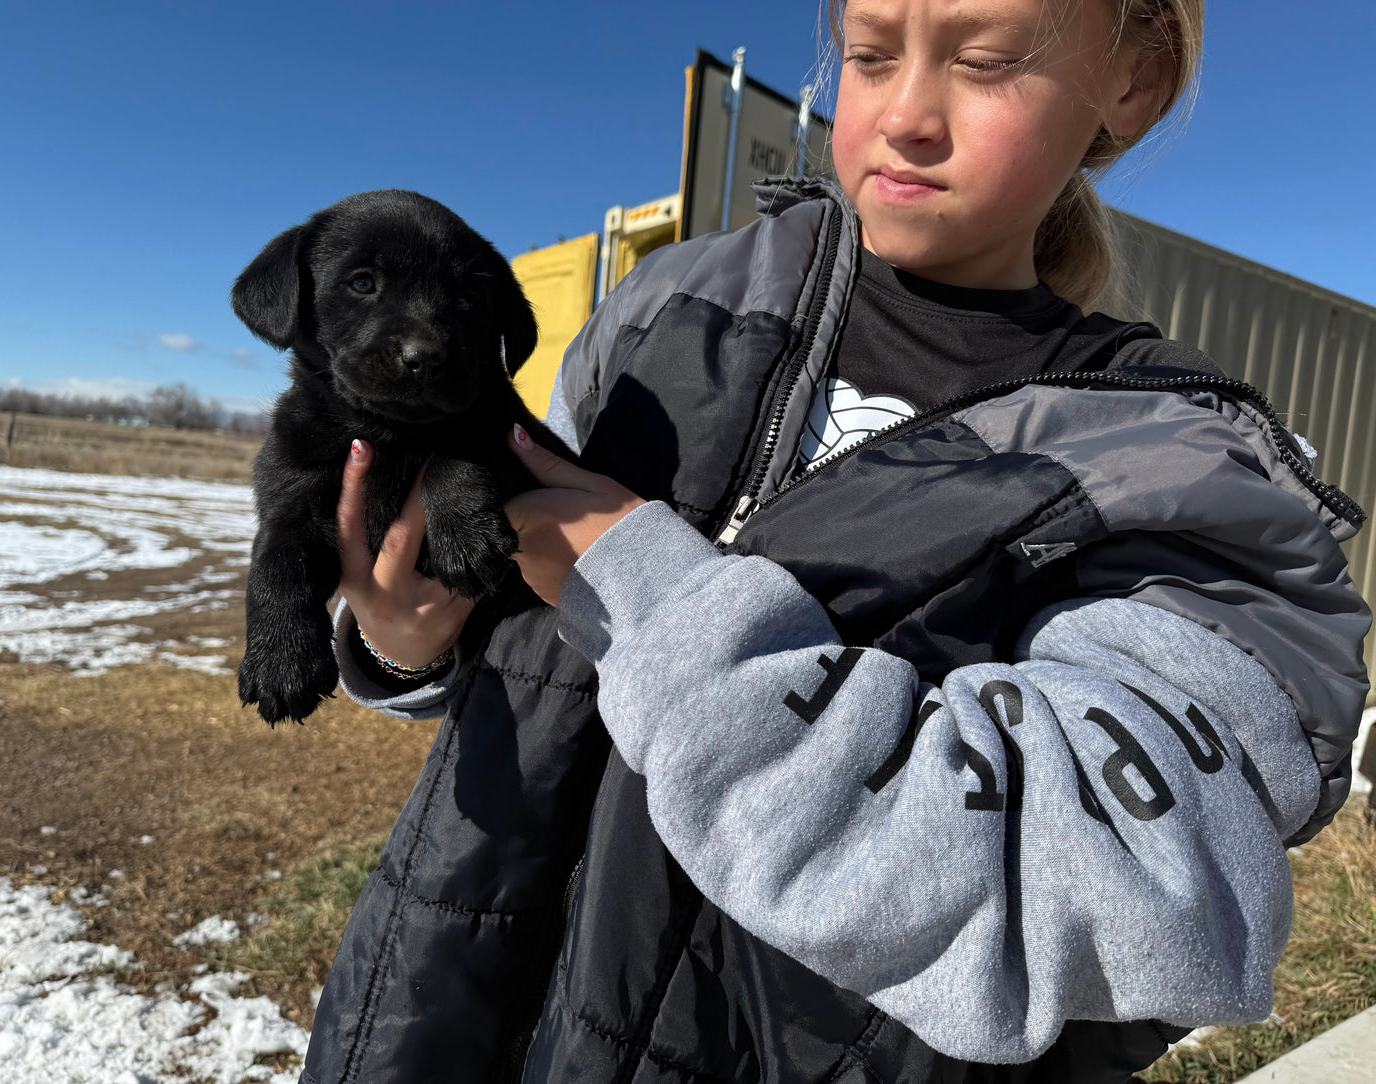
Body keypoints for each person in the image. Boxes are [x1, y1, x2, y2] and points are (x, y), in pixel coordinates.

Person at [300, 1, 1372, 1081]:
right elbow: (521, 626)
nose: (903, 114)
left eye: (985, 61)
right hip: (451, 1003)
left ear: (1132, 83)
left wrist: (642, 578)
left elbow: (1121, 900)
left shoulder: (1176, 479)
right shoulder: (673, 304)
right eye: (867, 54)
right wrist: (409, 643)